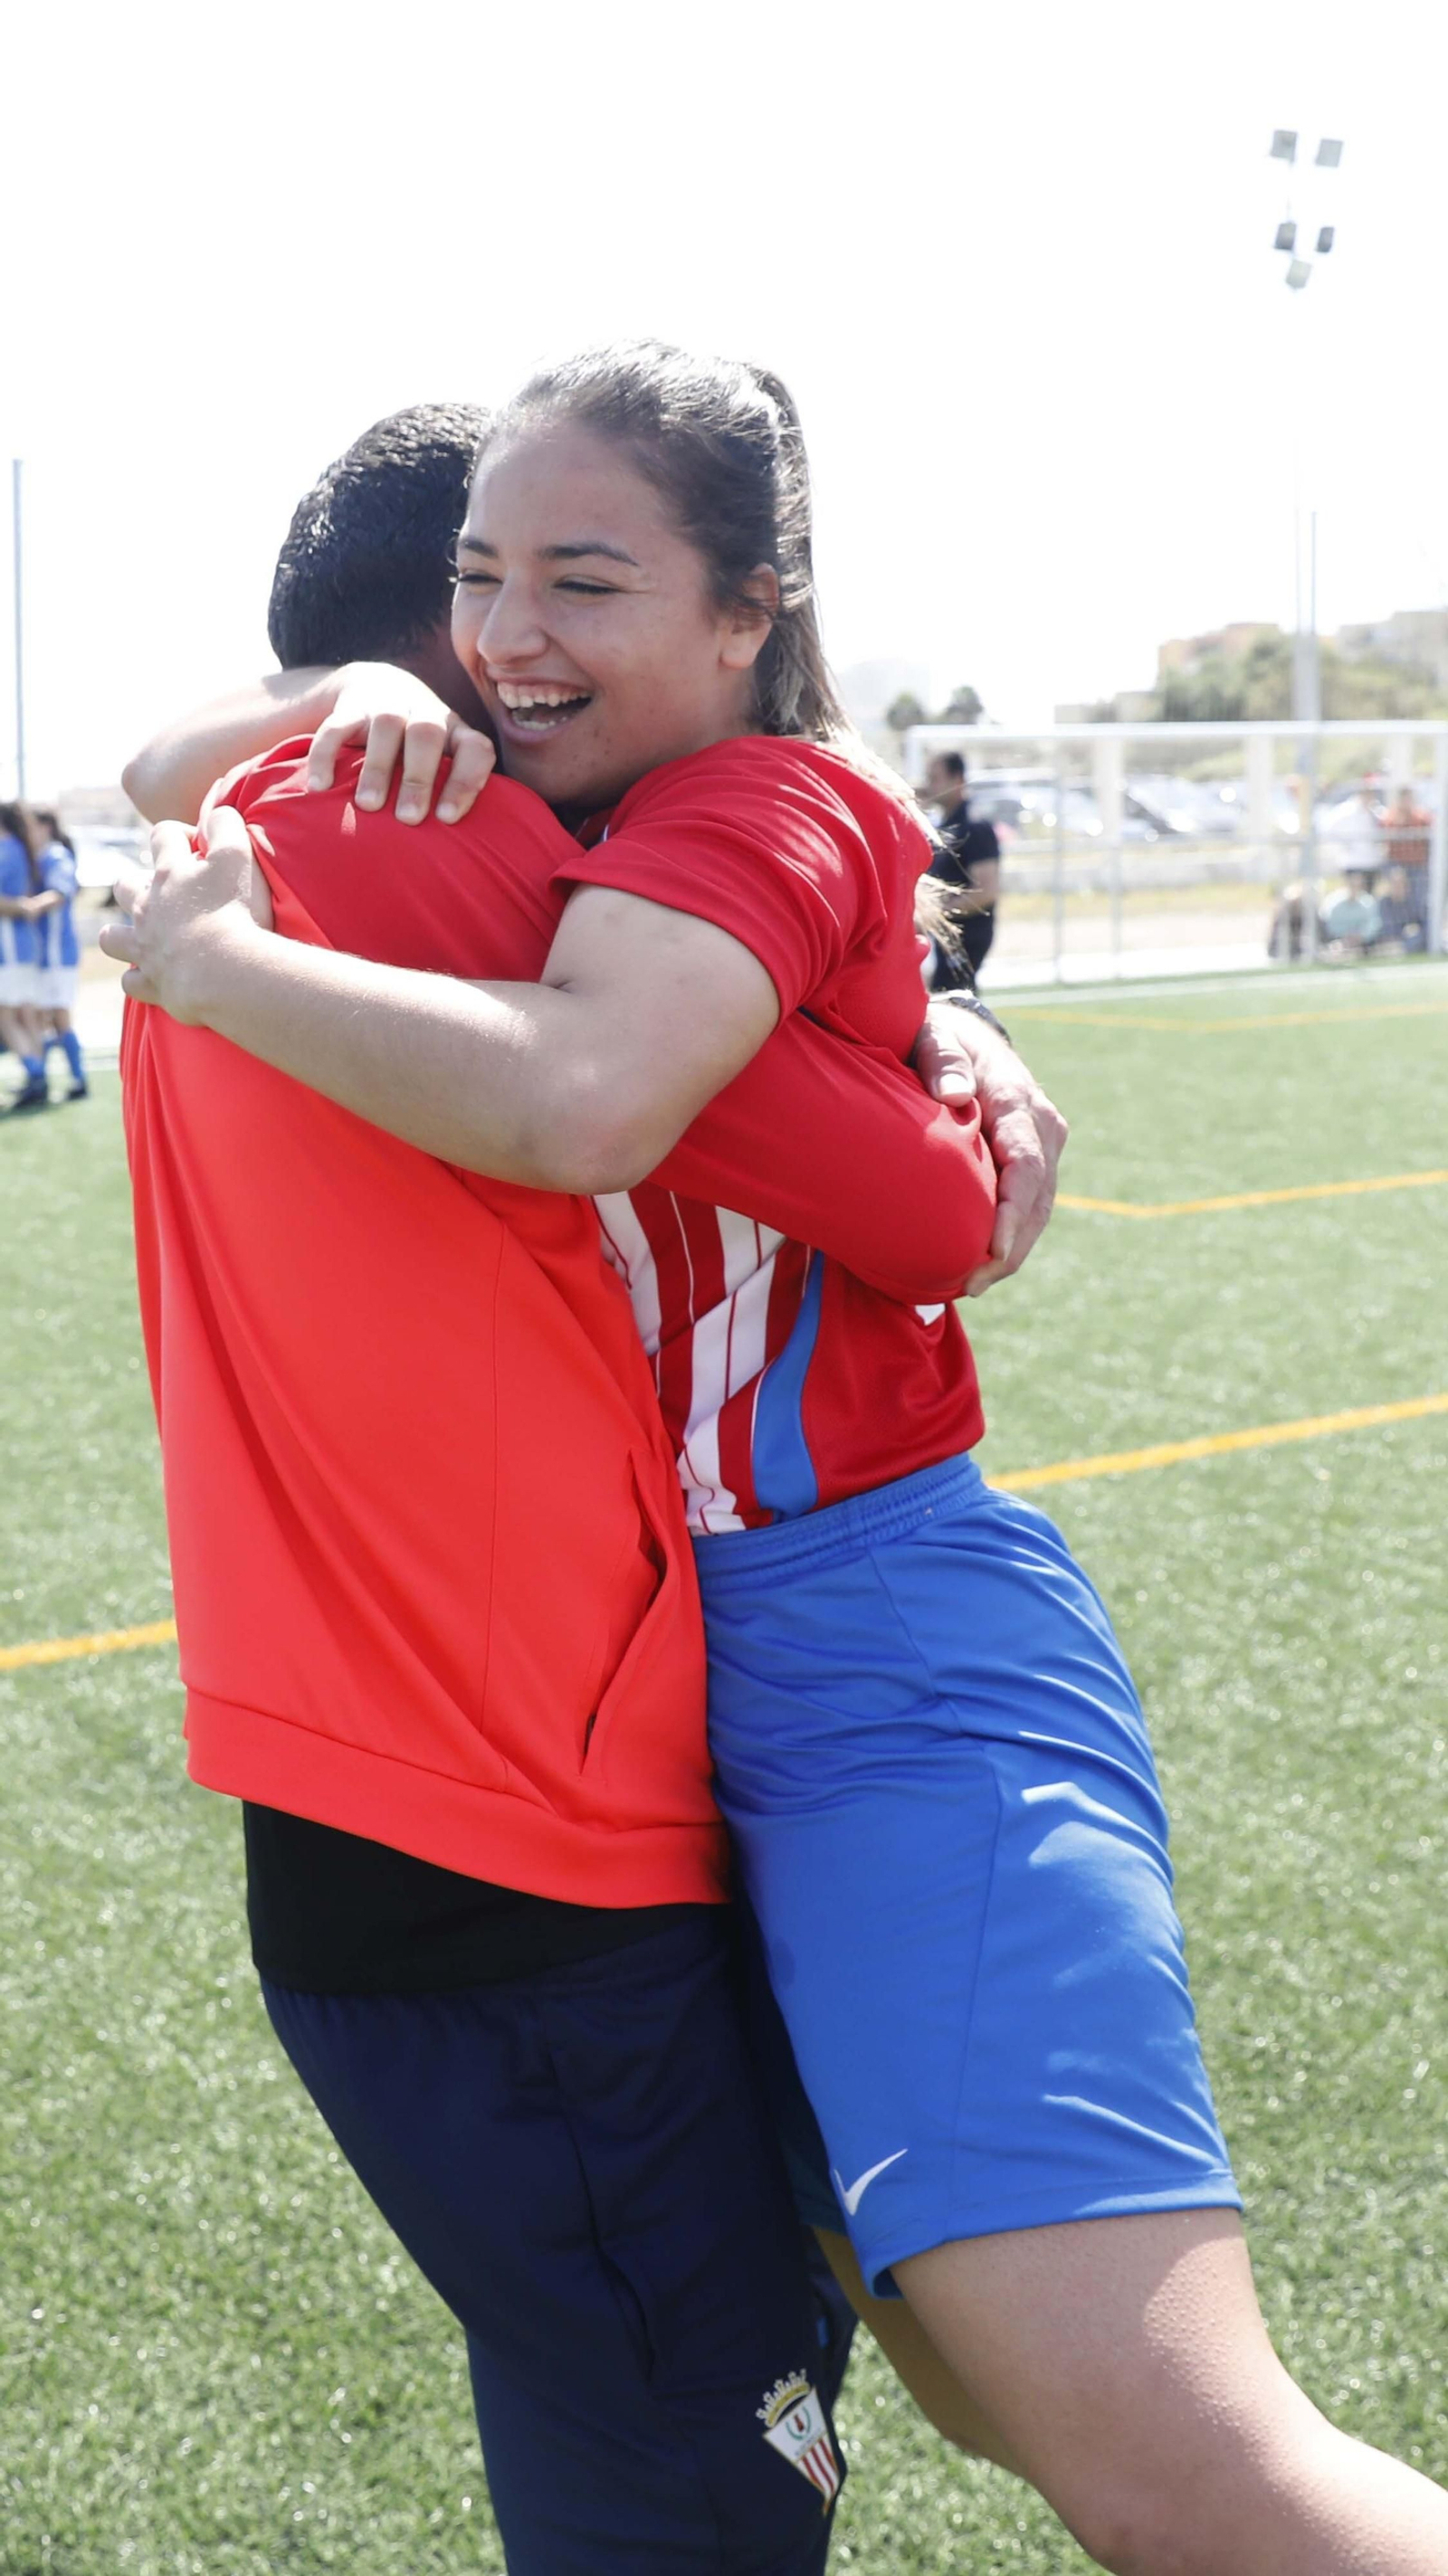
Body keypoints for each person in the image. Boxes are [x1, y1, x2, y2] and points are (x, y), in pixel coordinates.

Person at [113, 337, 1448, 2568]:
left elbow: (859, 1182)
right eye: (478, 588)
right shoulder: (568, 837)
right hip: (675, 1686)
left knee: (1161, 2450)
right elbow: (168, 756)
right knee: (956, 2367)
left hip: (875, 1648)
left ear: (747, 607)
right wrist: (277, 731)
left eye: (581, 581)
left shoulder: (728, 819)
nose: (511, 639)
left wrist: (216, 947)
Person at [113, 406, 1051, 2570]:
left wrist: (275, 711)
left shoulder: (254, 816)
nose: (534, 646)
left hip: (385, 1792)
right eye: (497, 591)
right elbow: (917, 1206)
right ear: (450, 668)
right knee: (702, 2484)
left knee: (618, 2425)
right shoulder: (445, 856)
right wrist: (962, 1058)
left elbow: (171, 757)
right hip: (514, 1815)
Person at [921, 748, 1001, 988]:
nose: (930, 786)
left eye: (935, 779)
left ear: (957, 781)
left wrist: (935, 914)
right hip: (946, 939)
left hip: (967, 936)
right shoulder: (947, 824)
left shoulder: (974, 826)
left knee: (956, 1005)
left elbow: (986, 892)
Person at [31, 810, 90, 1098]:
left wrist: (28, 906)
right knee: (43, 1016)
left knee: (58, 1016)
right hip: (44, 954)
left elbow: (60, 892)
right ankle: (41, 1079)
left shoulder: (55, 855)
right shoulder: (41, 857)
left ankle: (79, 1081)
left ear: (45, 827)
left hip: (57, 953)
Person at [0, 800, 50, 1108]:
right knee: (27, 1014)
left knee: (6, 1016)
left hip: (9, 947)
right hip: (23, 945)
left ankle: (36, 1075)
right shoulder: (20, 848)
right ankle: (38, 1077)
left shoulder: (6, 850)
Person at [1321, 866, 1382, 954]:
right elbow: (1330, 925)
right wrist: (1345, 937)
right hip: (1339, 940)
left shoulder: (1369, 902)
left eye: (1358, 885)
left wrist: (1360, 936)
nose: (1355, 888)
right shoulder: (1334, 902)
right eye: (1352, 884)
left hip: (1364, 943)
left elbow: (1374, 924)